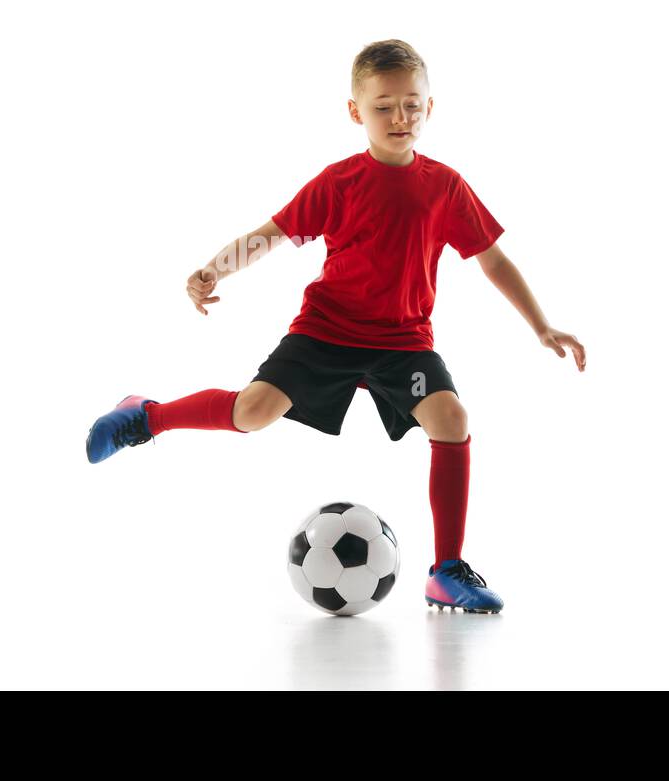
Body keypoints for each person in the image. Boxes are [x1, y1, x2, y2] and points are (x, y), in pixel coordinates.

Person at [85, 39, 585, 614]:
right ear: (356, 112)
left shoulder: (445, 186)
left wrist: (542, 327)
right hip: (327, 331)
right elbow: (273, 232)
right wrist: (213, 268)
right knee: (253, 412)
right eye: (383, 106)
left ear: (430, 107)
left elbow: (492, 258)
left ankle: (446, 570)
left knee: (451, 418)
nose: (400, 118)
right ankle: (144, 416)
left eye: (412, 105)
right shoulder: (340, 182)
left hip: (403, 343)